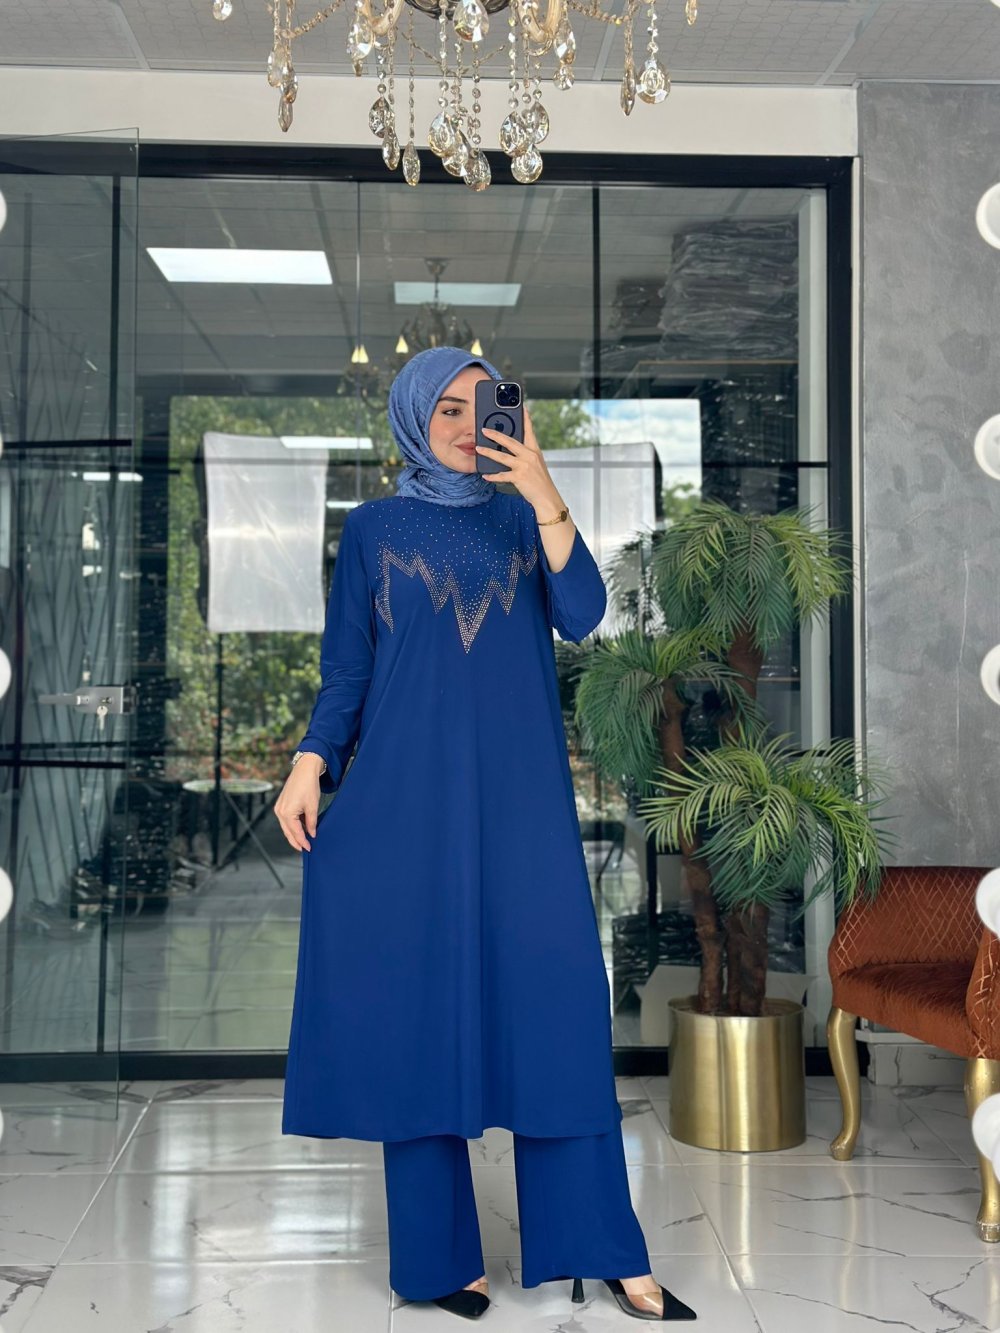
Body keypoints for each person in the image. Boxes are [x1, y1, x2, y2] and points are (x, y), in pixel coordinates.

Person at [274, 346, 697, 1324]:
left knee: (555, 1013)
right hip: (403, 809)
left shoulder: (521, 517)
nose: (470, 425)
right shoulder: (372, 530)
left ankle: (603, 1244)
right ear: (413, 419)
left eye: (486, 404)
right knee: (419, 1018)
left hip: (521, 811)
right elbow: (348, 672)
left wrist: (546, 496)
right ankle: (436, 1262)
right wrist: (310, 759)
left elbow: (583, 615)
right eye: (449, 409)